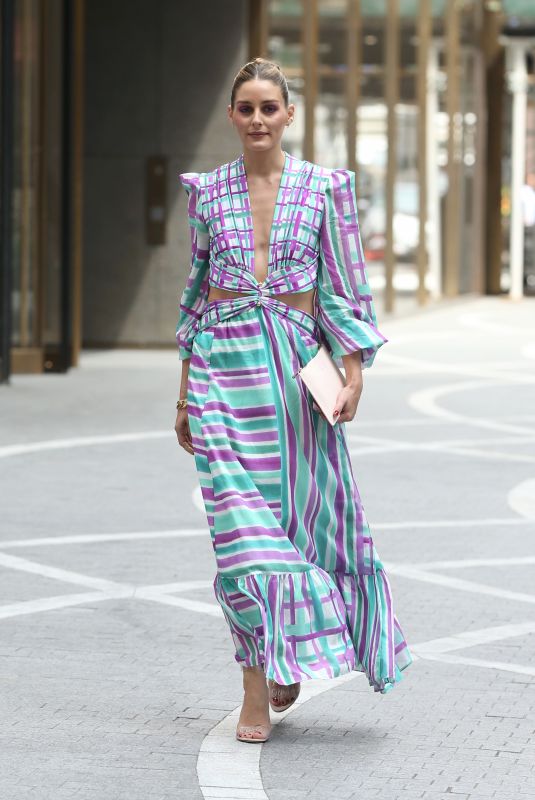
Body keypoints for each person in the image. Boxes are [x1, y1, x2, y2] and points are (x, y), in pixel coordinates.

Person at [174, 57, 413, 744]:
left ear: (287, 115)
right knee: (241, 545)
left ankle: (285, 654)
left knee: (301, 529)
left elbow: (343, 286)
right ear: (230, 114)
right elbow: (194, 296)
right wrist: (184, 393)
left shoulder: (323, 189)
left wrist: (352, 367)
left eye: (267, 108)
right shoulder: (206, 192)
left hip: (292, 378)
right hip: (220, 373)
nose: (256, 119)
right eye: (244, 107)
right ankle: (256, 682)